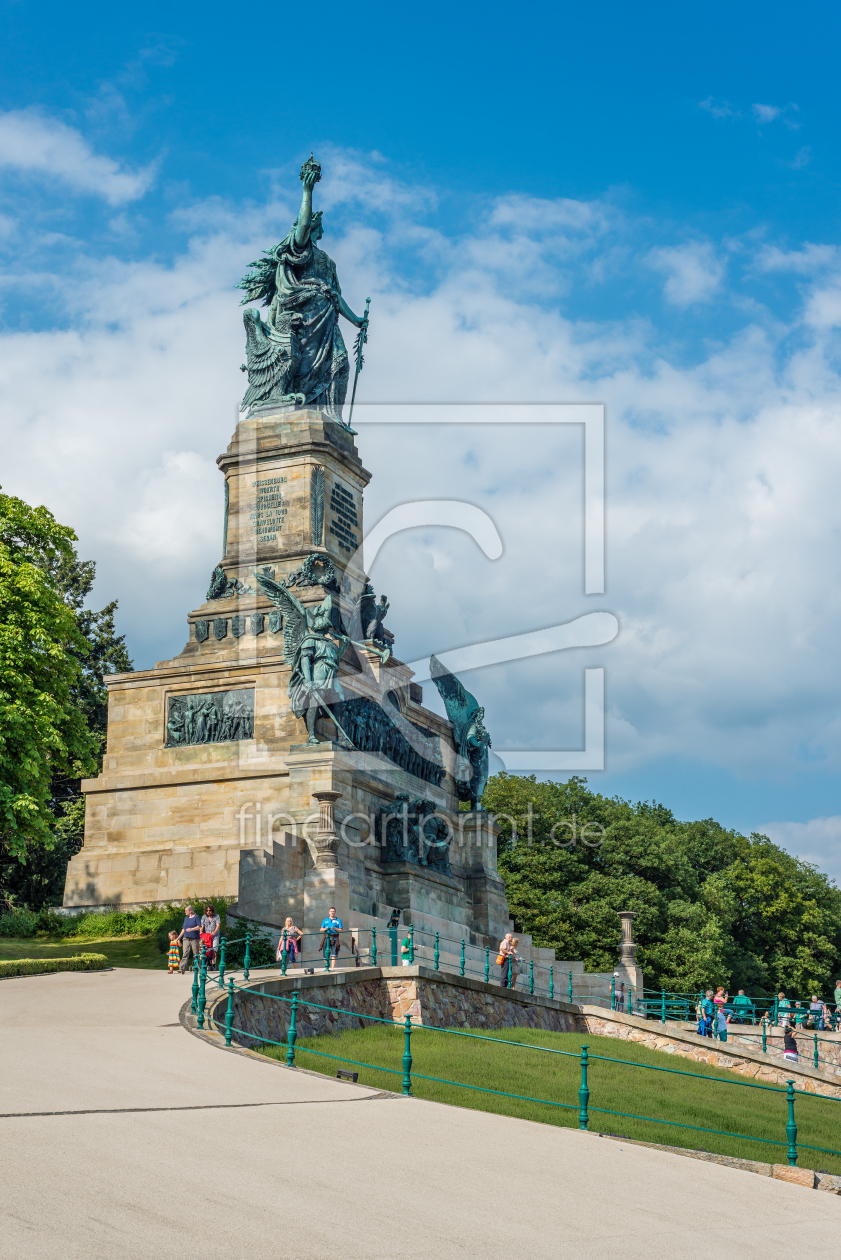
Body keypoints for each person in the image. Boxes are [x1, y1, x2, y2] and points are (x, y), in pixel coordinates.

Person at [178, 905, 202, 972]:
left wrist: (191, 929)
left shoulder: (196, 917)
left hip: (194, 938)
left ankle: (197, 968)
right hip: (186, 937)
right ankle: (182, 968)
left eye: (186, 911)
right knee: (185, 953)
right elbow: (184, 929)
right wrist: (179, 937)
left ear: (191, 911)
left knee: (196, 953)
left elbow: (199, 926)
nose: (185, 912)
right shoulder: (186, 918)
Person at [201, 905, 221, 969]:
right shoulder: (204, 917)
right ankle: (205, 963)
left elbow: (218, 925)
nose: (208, 912)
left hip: (214, 936)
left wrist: (214, 932)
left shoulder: (216, 916)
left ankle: (213, 965)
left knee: (214, 950)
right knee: (206, 949)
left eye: (210, 910)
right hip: (207, 936)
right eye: (207, 910)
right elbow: (202, 925)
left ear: (212, 911)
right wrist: (201, 931)